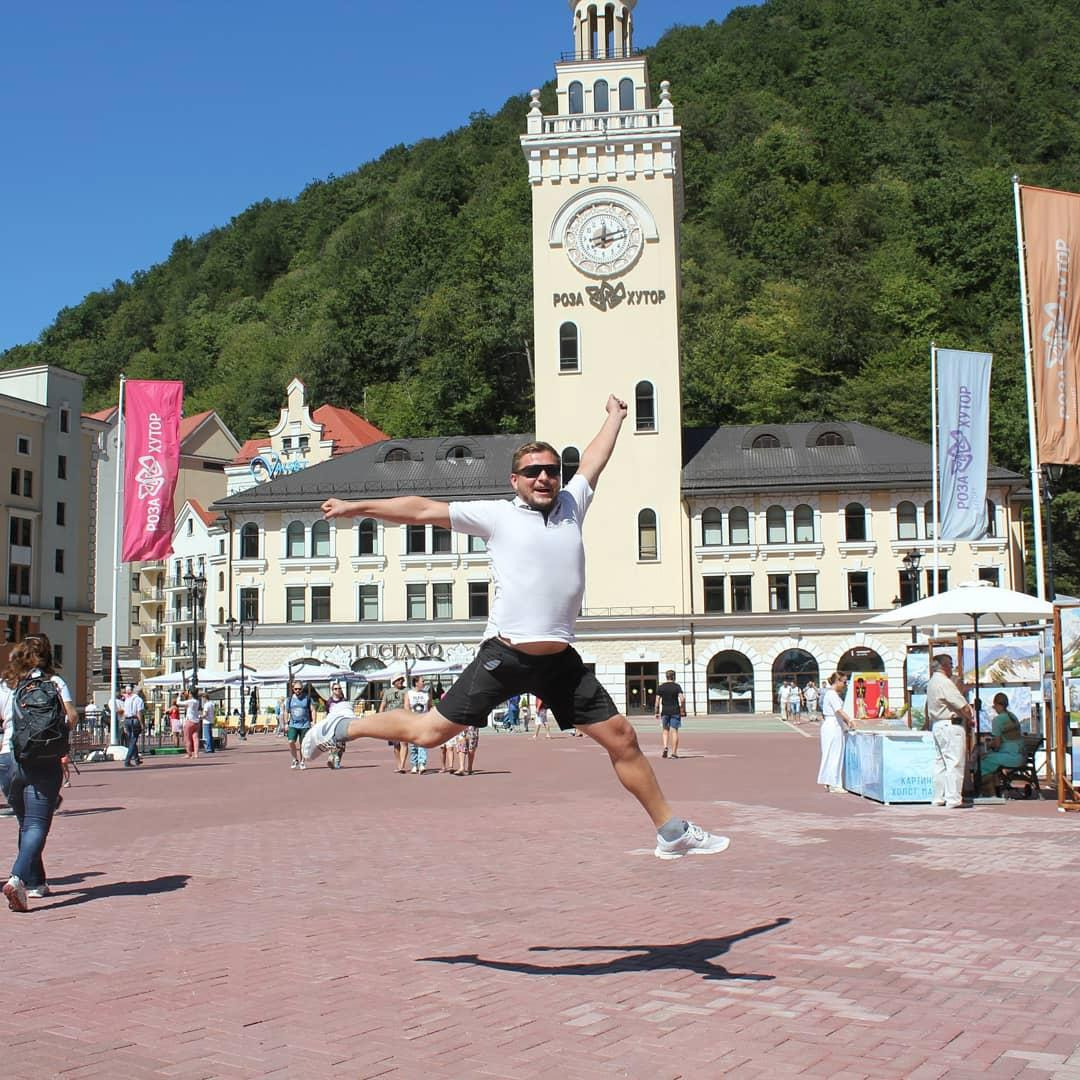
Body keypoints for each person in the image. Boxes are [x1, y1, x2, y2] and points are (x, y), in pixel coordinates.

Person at [306, 395, 728, 860]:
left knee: (623, 738)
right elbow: (421, 510)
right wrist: (356, 507)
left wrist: (614, 417)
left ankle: (671, 832)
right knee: (429, 734)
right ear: (515, 480)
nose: (544, 477)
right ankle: (345, 726)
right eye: (532, 472)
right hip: (505, 656)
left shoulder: (572, 504)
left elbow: (594, 459)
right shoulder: (496, 515)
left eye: (550, 470)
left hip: (560, 662)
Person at [2, 633, 77, 912]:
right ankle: (17, 879)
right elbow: (71, 717)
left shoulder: (10, 683)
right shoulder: (54, 683)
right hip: (43, 760)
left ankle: (35, 881)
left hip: (11, 760)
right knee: (36, 825)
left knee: (26, 822)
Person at [927, 654, 973, 809]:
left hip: (938, 725)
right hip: (951, 725)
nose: (952, 668)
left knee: (940, 763)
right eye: (951, 664)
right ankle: (953, 798)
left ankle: (938, 797)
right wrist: (970, 716)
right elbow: (961, 705)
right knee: (955, 762)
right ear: (944, 666)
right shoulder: (945, 683)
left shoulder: (932, 682)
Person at [979, 691, 1024, 794]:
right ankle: (996, 787)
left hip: (1011, 757)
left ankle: (989, 791)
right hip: (1021, 755)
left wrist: (988, 745)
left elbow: (997, 744)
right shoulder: (1013, 716)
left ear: (997, 705)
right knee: (992, 759)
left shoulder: (997, 720)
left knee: (983, 761)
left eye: (994, 706)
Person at [817, 671, 852, 793]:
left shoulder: (832, 694)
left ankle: (829, 780)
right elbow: (839, 710)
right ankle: (834, 783)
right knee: (834, 754)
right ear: (837, 681)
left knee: (831, 754)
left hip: (833, 724)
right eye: (844, 682)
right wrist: (850, 720)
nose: (845, 684)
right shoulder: (831, 694)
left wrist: (846, 722)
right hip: (833, 725)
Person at [282, 680, 317, 770]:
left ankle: (302, 761)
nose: (298, 690)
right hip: (293, 725)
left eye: (299, 689)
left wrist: (313, 722)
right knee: (291, 742)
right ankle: (295, 759)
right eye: (296, 689)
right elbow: (286, 711)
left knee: (303, 745)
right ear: (293, 689)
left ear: (302, 689)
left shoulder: (307, 698)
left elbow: (313, 710)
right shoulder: (289, 700)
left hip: (305, 725)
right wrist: (286, 723)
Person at [379, 675, 409, 772]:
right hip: (391, 720)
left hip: (403, 719)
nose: (401, 681)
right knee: (396, 745)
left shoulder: (407, 691)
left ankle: (402, 766)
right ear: (394, 681)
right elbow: (383, 705)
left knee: (404, 742)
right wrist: (380, 717)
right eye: (398, 680)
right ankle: (399, 764)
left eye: (401, 679)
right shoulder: (388, 692)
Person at [654, 670, 685, 759]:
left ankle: (665, 747)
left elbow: (657, 701)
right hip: (675, 710)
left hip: (665, 711)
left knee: (665, 730)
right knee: (674, 731)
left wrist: (656, 712)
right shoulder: (677, 687)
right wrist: (682, 710)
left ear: (666, 676)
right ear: (674, 677)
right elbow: (682, 699)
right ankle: (674, 753)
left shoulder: (661, 687)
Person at [322, 683, 351, 770]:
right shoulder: (329, 701)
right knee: (332, 743)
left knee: (341, 746)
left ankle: (337, 760)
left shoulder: (344, 701)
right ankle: (331, 758)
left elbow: (347, 711)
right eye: (335, 689)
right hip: (332, 725)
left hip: (342, 724)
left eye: (339, 688)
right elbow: (327, 712)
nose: (337, 690)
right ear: (332, 690)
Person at [406, 675, 430, 774]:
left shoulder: (426, 694)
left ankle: (422, 764)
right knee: (413, 745)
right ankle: (414, 764)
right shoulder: (409, 693)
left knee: (423, 743)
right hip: (413, 722)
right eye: (422, 681)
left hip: (423, 721)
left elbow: (429, 706)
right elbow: (406, 707)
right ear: (416, 683)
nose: (424, 683)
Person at [123, 684, 145, 767]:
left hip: (127, 720)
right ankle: (127, 760)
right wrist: (142, 724)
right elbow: (139, 712)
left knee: (132, 740)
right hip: (135, 720)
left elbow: (125, 713)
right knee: (133, 741)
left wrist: (124, 724)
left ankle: (136, 759)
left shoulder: (127, 700)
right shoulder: (139, 700)